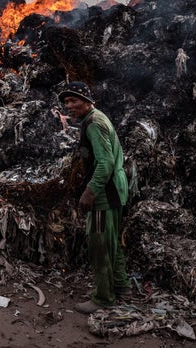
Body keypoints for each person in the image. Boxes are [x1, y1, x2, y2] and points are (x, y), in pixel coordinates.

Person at [58, 81, 130, 314]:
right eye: (66, 102)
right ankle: (121, 286)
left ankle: (103, 297)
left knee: (99, 245)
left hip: (105, 194)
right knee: (112, 242)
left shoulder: (93, 124)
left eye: (74, 100)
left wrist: (90, 192)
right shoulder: (96, 117)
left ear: (88, 101)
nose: (69, 106)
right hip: (116, 189)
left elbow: (106, 162)